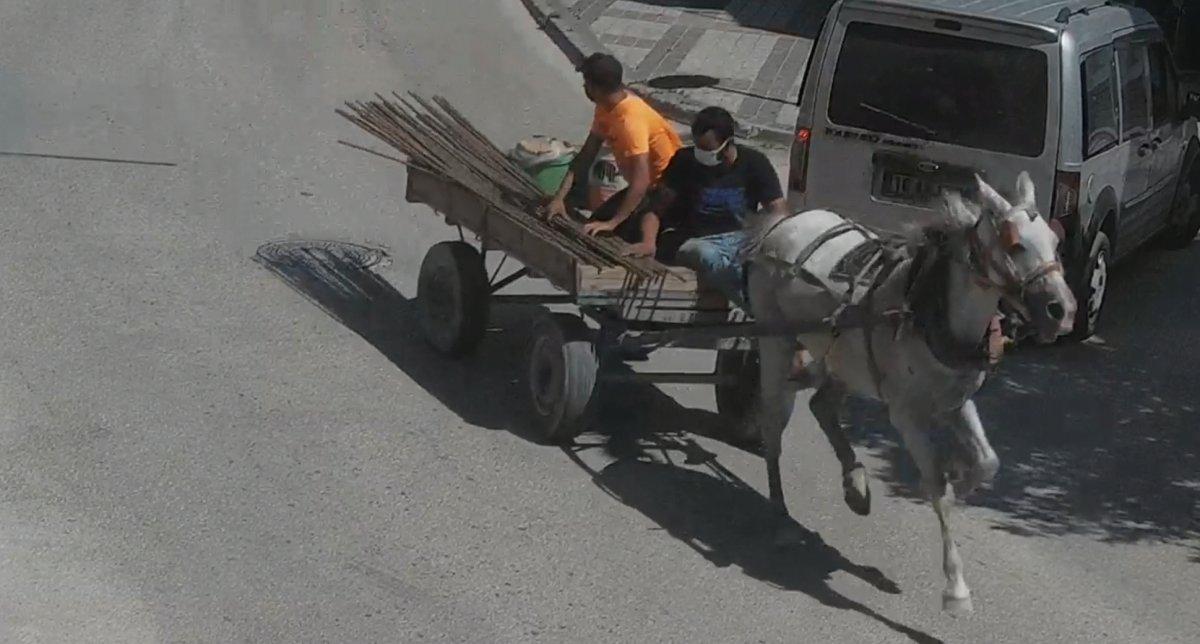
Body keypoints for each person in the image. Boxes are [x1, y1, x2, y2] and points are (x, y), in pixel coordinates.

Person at [643, 107, 787, 308]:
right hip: (694, 240)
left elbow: (778, 211)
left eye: (708, 150)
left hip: (739, 241)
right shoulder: (684, 162)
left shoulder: (754, 163)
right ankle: (755, 308)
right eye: (698, 148)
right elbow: (655, 209)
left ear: (727, 144)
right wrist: (648, 243)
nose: (701, 155)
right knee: (708, 256)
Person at [541, 53, 683, 247]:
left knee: (603, 237)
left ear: (595, 88)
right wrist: (559, 198)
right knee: (594, 221)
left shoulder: (630, 122)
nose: (585, 88)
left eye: (586, 83)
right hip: (647, 188)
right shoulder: (605, 108)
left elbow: (642, 182)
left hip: (665, 192)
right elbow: (586, 155)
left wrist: (613, 223)